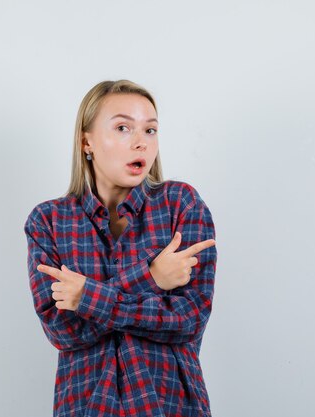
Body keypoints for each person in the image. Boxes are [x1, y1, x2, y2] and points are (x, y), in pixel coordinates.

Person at [23, 79, 218, 417]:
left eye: (150, 130)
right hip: (87, 408)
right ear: (87, 141)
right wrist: (152, 278)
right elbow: (63, 330)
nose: (140, 143)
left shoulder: (181, 204)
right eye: (123, 128)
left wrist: (87, 297)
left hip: (169, 406)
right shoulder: (49, 221)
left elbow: (189, 320)